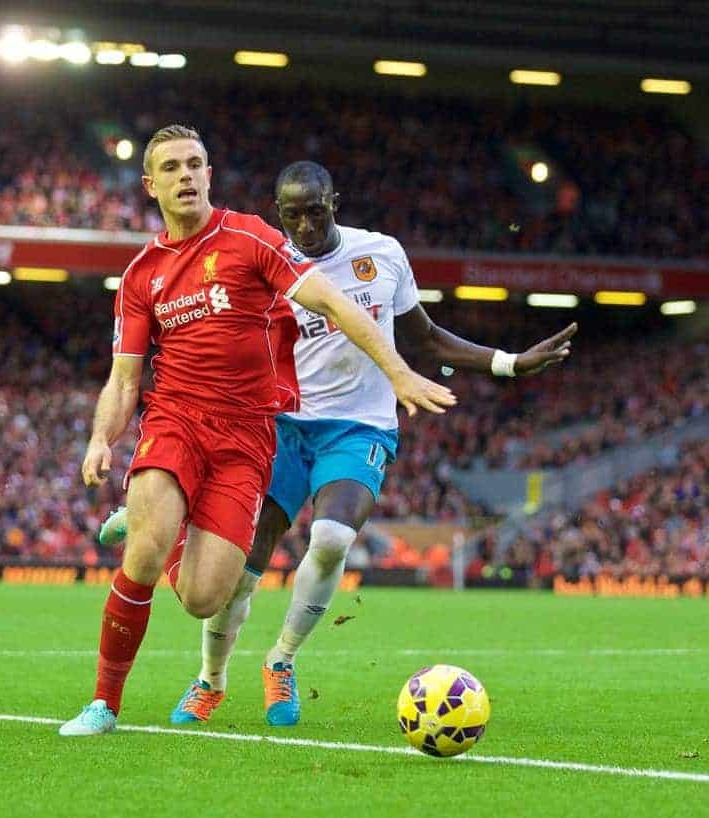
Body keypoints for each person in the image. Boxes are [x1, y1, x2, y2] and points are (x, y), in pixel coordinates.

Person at [99, 160, 577, 726]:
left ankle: (281, 660)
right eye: (293, 215)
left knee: (329, 539)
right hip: (281, 424)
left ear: (335, 203)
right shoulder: (265, 258)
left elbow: (423, 338)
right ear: (280, 215)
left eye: (316, 212)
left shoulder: (382, 254)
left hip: (359, 426)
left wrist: (507, 362)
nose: (305, 226)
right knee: (240, 570)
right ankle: (212, 678)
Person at [59, 129, 455, 737]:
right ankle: (103, 704)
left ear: (210, 175)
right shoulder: (142, 275)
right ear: (152, 185)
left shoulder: (250, 238)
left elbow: (334, 303)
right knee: (141, 553)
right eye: (172, 167)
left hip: (247, 438)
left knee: (203, 599)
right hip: (176, 422)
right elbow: (124, 379)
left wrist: (399, 371)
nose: (186, 175)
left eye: (196, 164)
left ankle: (161, 529)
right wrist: (100, 439)